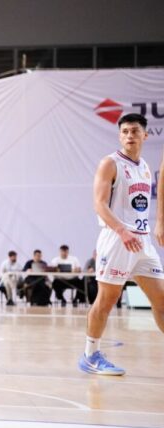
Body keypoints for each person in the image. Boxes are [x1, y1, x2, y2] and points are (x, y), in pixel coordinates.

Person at [82, 113, 164, 376]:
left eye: (135, 131)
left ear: (145, 135)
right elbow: (99, 204)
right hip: (117, 240)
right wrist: (121, 230)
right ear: (120, 135)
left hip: (141, 241)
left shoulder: (145, 166)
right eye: (125, 131)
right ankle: (90, 355)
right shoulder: (110, 163)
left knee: (161, 301)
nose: (130, 135)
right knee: (107, 300)